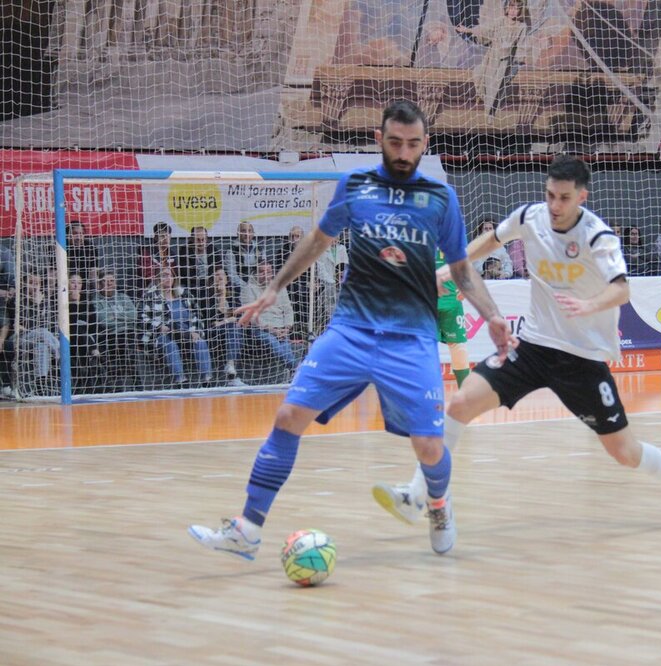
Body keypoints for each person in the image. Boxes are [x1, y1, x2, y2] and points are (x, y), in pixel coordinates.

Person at [188, 100, 514, 560]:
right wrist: (274, 288)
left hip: (411, 337)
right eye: (396, 142)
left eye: (414, 144)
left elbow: (462, 269)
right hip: (351, 330)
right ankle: (247, 528)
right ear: (380, 139)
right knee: (287, 418)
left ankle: (437, 503)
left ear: (425, 145)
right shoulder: (355, 184)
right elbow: (319, 240)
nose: (404, 152)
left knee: (428, 445)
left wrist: (494, 314)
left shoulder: (441, 198)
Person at [372, 156, 661, 531]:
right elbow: (494, 238)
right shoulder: (531, 217)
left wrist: (588, 305)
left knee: (625, 453)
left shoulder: (598, 237)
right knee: (462, 403)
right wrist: (451, 268)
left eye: (563, 198)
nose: (554, 206)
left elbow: (622, 289)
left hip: (581, 360)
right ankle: (418, 496)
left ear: (582, 196)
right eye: (550, 195)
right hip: (531, 346)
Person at [140, 267, 213, 386]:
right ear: (158, 279)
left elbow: (197, 313)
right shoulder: (150, 296)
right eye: (163, 275)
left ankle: (207, 379)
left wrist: (195, 330)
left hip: (186, 332)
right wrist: (158, 326)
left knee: (199, 341)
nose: (167, 278)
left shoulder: (184, 294)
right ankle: (180, 380)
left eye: (169, 275)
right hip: (164, 334)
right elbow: (142, 317)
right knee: (170, 343)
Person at [457, 0, 529, 116]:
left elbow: (522, 44)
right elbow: (485, 29)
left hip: (507, 60)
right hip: (492, 57)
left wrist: (520, 59)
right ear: (507, 8)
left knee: (499, 82)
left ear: (520, 11)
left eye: (516, 9)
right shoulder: (500, 21)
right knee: (479, 74)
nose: (512, 11)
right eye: (511, 8)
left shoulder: (521, 27)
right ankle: (486, 102)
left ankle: (491, 110)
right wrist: (468, 30)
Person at [239, 261, 298, 375]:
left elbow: (288, 310)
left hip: (281, 328)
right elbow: (251, 316)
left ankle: (294, 372)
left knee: (285, 346)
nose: (265, 275)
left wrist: (287, 328)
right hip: (260, 329)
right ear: (255, 273)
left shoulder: (280, 287)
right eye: (262, 272)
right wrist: (272, 330)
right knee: (274, 344)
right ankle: (296, 370)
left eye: (269, 272)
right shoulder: (248, 289)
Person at [92, 270, 138, 392]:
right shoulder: (96, 301)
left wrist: (115, 315)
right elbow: (103, 321)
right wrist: (123, 316)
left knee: (127, 344)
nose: (109, 284)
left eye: (112, 281)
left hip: (127, 333)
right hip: (108, 335)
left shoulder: (123, 297)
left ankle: (136, 386)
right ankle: (122, 385)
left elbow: (133, 315)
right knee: (121, 348)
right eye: (105, 281)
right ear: (100, 284)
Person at [436, 250, 471, 388]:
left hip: (451, 300)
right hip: (425, 301)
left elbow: (463, 259)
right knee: (423, 346)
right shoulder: (417, 233)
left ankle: (465, 392)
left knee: (458, 346)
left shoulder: (451, 234)